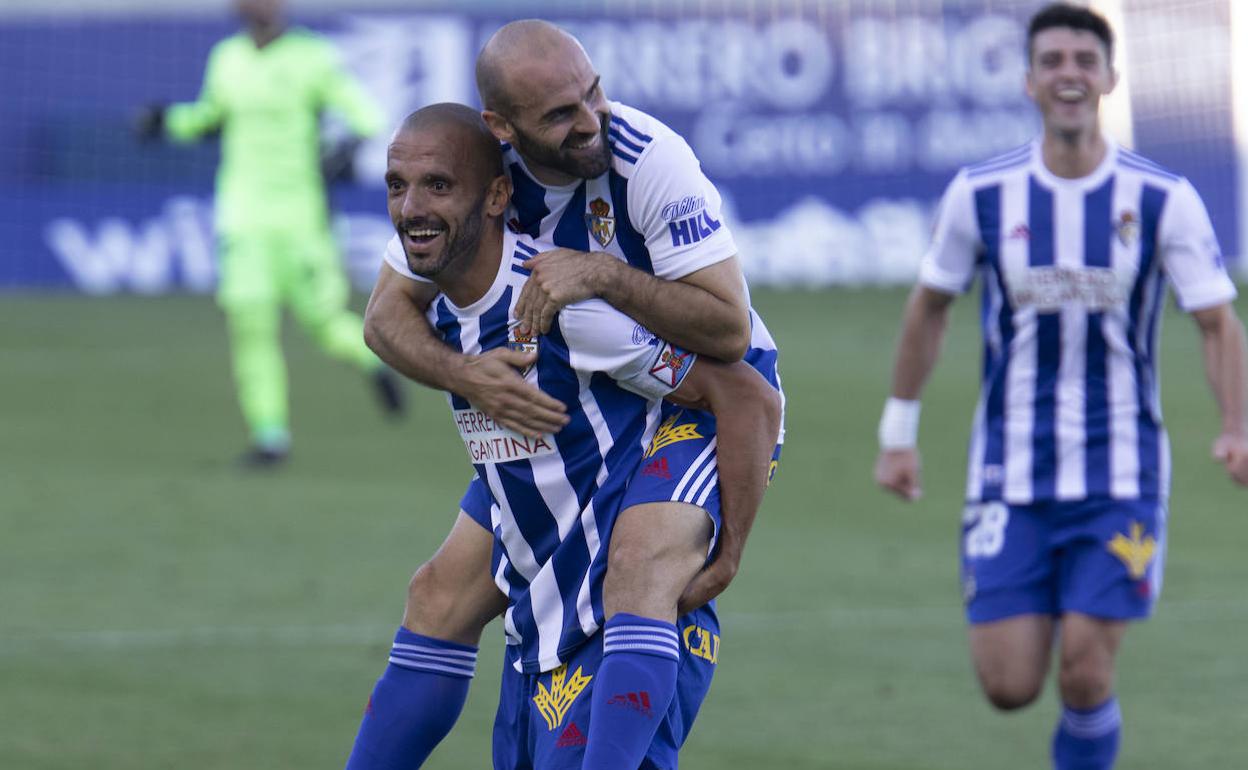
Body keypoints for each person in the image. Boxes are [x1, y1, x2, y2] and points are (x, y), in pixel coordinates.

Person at [346, 20, 784, 770]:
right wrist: (465, 374)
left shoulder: (647, 158)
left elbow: (730, 338)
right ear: (503, 130)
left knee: (640, 563)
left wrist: (601, 273)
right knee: (439, 593)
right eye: (559, 115)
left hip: (702, 395)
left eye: (593, 94)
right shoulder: (466, 179)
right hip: (595, 386)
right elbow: (385, 315)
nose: (591, 122)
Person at [874, 4, 1248, 769]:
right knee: (1008, 683)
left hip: (1122, 474)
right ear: (1029, 81)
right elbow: (929, 309)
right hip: (1008, 474)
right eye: (1053, 61)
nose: (1069, 74)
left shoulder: (1160, 199)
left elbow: (1217, 322)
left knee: (1083, 666)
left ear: (1110, 77)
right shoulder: (981, 194)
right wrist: (897, 434)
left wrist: (1237, 424)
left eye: (1085, 59)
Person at [135, 0, 404, 467]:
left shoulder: (311, 57)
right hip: (242, 219)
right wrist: (165, 123)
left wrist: (341, 153)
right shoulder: (227, 59)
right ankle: (269, 437)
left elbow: (364, 114)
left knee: (323, 324)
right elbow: (208, 118)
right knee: (250, 327)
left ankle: (371, 361)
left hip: (301, 220)